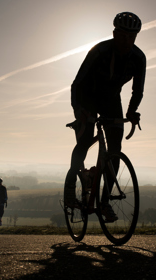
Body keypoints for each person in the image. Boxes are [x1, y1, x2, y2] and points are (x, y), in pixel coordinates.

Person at [64, 12, 146, 222]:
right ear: (114, 33)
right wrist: (78, 109)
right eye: (123, 35)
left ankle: (104, 201)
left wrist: (131, 112)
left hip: (111, 99)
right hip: (87, 96)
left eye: (132, 36)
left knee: (115, 150)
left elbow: (138, 91)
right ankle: (71, 186)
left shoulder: (138, 58)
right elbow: (77, 84)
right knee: (84, 141)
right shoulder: (99, 51)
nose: (127, 41)